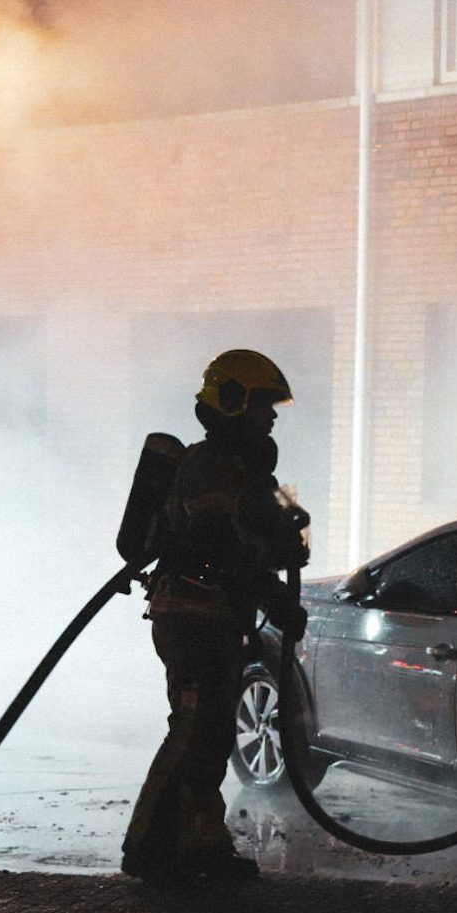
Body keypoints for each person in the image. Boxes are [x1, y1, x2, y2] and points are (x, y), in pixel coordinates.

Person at [121, 349, 309, 885]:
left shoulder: (243, 471)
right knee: (191, 731)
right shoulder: (207, 466)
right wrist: (274, 595)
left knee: (212, 737)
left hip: (219, 616)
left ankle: (200, 842)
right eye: (262, 405)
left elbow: (263, 542)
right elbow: (216, 552)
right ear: (231, 402)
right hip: (193, 612)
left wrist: (283, 545)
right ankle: (146, 847)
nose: (270, 417)